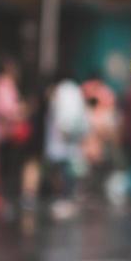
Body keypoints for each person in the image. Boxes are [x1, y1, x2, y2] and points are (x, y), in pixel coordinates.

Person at [42, 71, 89, 219]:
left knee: (65, 171)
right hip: (67, 140)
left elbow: (64, 117)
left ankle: (65, 199)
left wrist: (65, 130)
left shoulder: (64, 91)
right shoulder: (75, 92)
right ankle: (67, 198)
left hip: (63, 139)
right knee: (67, 170)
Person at [0, 59, 30, 208]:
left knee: (7, 169)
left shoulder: (5, 85)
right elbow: (4, 110)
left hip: (7, 134)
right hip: (4, 135)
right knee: (5, 169)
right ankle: (4, 200)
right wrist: (20, 111)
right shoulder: (3, 84)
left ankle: (6, 199)